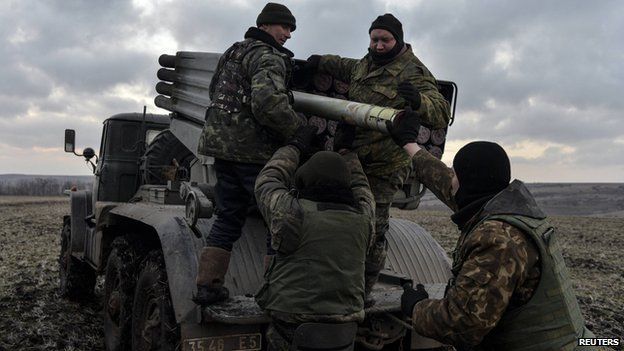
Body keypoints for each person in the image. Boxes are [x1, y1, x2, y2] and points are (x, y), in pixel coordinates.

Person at [386, 111, 596, 350]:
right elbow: (444, 181)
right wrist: (410, 145)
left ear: (467, 182)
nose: (451, 178)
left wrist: (416, 307)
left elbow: (462, 323)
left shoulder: (498, 239)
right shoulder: (507, 207)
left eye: (456, 173)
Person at [305, 13, 451, 297]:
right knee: (344, 221)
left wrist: (419, 101)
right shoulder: (366, 63)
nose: (379, 45)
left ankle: (362, 293)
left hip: (385, 164)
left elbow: (441, 112)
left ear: (398, 40)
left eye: (385, 40)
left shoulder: (414, 71)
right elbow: (347, 67)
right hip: (353, 158)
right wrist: (321, 60)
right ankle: (335, 281)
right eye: (374, 39)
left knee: (373, 230)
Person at [194, 2, 305, 305]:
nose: (288, 34)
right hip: (252, 153)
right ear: (266, 25)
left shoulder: (234, 50)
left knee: (229, 215)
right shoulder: (268, 57)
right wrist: (297, 131)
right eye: (284, 27)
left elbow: (215, 89)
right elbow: (268, 102)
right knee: (275, 218)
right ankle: (274, 293)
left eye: (291, 29)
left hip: (221, 148)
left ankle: (207, 285)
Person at [254, 126, 375, 350]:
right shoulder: (364, 218)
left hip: (291, 326)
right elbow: (361, 187)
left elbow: (268, 180)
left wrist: (294, 146)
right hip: (344, 329)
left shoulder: (292, 213)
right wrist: (347, 152)